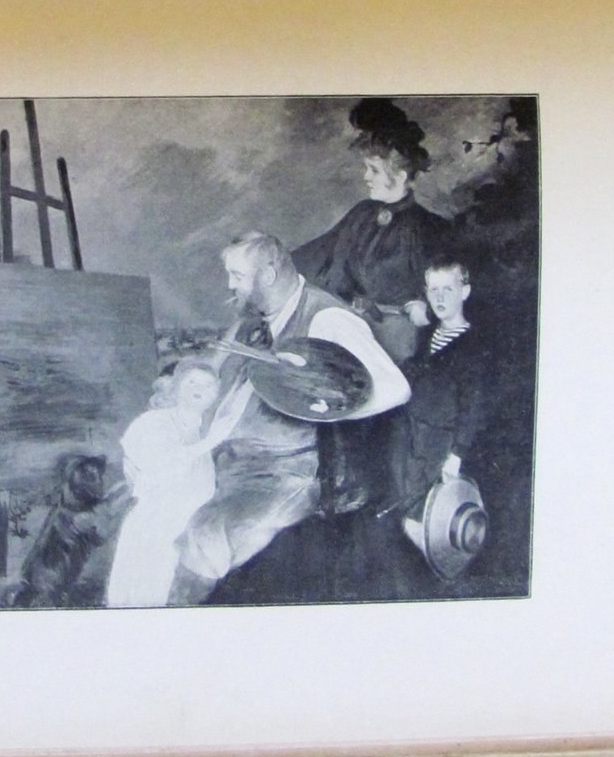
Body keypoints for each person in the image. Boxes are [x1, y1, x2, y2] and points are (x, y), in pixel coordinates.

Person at [167, 231, 410, 605]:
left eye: (237, 276)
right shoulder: (253, 322)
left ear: (267, 275)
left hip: (285, 471)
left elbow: (395, 388)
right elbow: (215, 376)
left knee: (206, 534)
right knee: (156, 512)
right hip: (231, 462)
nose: (230, 285)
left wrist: (327, 403)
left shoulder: (327, 317)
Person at [293, 98, 454, 363]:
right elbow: (317, 255)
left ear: (401, 176)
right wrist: (273, 264)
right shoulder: (362, 214)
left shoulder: (429, 229)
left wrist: (421, 307)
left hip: (397, 345)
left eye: (374, 170)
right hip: (351, 329)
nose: (366, 176)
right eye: (366, 168)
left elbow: (444, 298)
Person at [105, 359, 248, 608]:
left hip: (185, 534)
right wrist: (210, 442)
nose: (199, 389)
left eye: (208, 386)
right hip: (153, 529)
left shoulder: (202, 433)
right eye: (191, 381)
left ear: (215, 396)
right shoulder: (152, 422)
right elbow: (158, 465)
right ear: (175, 386)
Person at [396, 260, 488, 551]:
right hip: (416, 438)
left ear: (465, 292)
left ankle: (436, 557)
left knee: (435, 515)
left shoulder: (473, 347)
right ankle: (424, 552)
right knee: (411, 512)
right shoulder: (428, 335)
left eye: (447, 289)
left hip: (443, 444)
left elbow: (473, 408)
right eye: (433, 290)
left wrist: (457, 454)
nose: (439, 297)